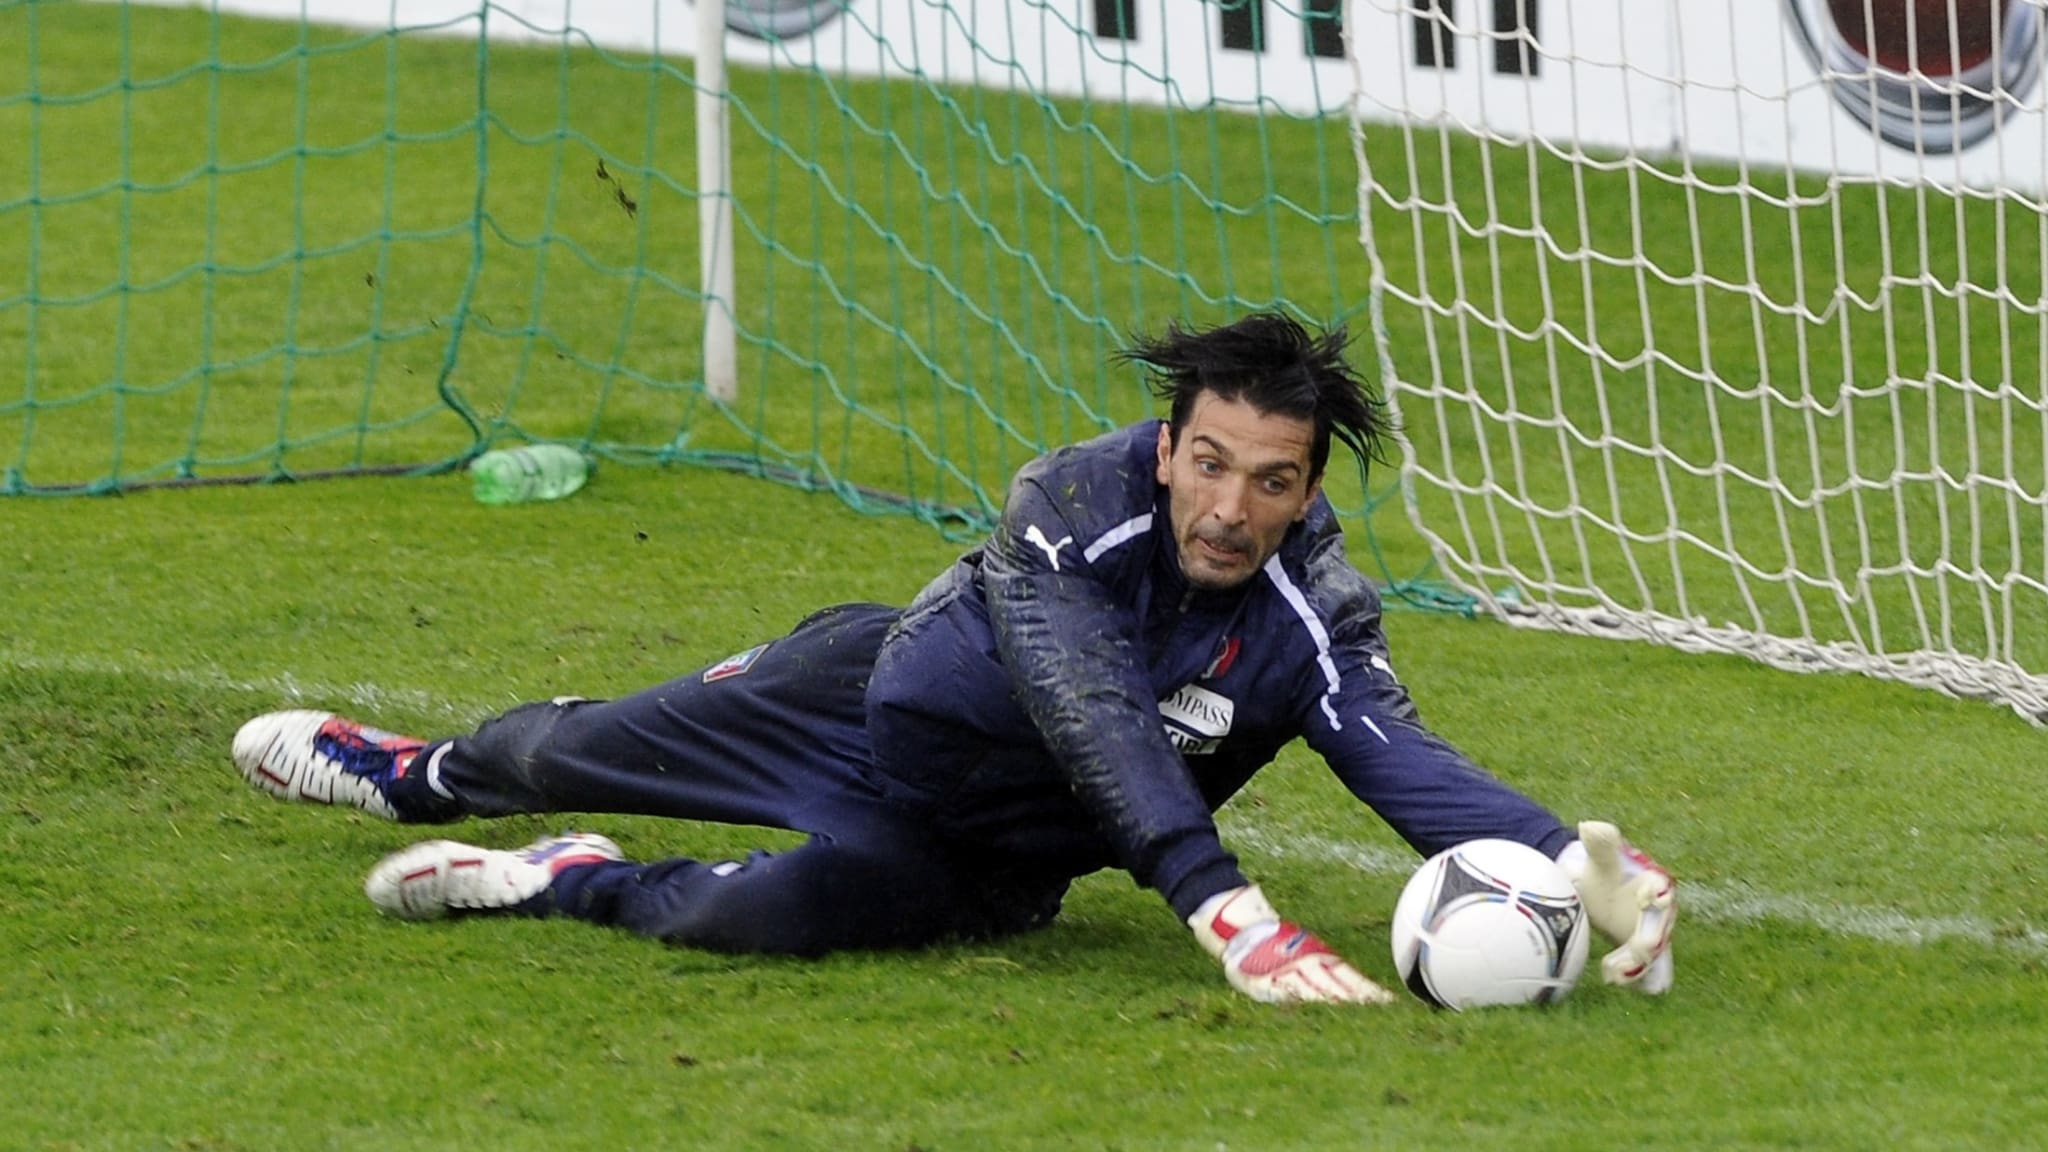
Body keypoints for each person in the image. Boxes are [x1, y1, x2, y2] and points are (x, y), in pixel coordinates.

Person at [231, 311, 1676, 1004]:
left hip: (988, 851)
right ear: (1168, 447)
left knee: (746, 929)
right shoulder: (1065, 506)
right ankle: (410, 776)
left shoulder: (1309, 612)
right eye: (1211, 465)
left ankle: (567, 878)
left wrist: (1566, 854)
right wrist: (1230, 913)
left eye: (1274, 482)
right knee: (554, 747)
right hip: (851, 704)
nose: (1233, 509)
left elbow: (1394, 755)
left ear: (1308, 490)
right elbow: (1086, 702)